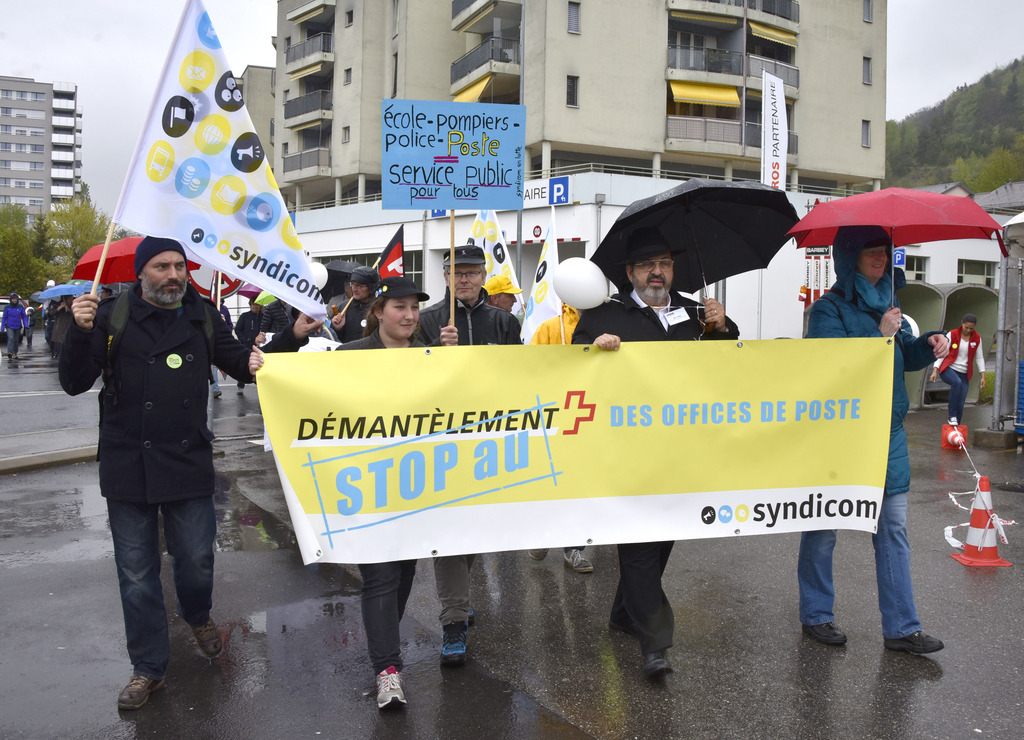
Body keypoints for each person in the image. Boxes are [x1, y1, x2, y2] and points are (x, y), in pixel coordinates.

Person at [58, 236, 319, 711]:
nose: (174, 275)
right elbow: (74, 382)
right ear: (141, 273)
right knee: (136, 575)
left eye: (180, 266)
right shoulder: (110, 315)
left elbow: (240, 361)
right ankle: (147, 668)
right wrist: (78, 330)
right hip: (126, 463)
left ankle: (197, 614)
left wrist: (291, 338)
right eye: (162, 267)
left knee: (196, 562)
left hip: (187, 460)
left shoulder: (202, 314)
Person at [572, 227, 737, 679]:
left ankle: (624, 614)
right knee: (641, 544)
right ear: (629, 273)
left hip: (682, 452)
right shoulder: (604, 315)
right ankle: (655, 643)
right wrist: (593, 351)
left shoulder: (695, 312)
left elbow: (731, 367)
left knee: (663, 538)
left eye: (664, 263)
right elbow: (571, 372)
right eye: (647, 265)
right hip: (628, 455)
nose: (657, 271)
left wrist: (723, 330)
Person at [798, 225, 948, 655]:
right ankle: (816, 615)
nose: (881, 261)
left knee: (893, 530)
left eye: (885, 253)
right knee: (823, 528)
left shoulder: (890, 303)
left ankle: (902, 627)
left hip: (887, 434)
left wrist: (925, 345)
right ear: (849, 259)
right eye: (871, 254)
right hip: (839, 437)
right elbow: (831, 368)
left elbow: (898, 358)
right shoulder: (829, 309)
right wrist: (879, 334)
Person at [417, 245, 521, 666]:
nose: (464, 278)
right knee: (446, 531)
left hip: (489, 445)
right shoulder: (427, 321)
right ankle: (454, 619)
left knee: (474, 529)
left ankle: (459, 598)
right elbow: (405, 381)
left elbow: (523, 375)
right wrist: (436, 353)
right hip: (441, 444)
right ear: (445, 276)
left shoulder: (504, 321)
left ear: (483, 276)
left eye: (472, 272)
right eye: (456, 272)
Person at [336, 276, 430, 709]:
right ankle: (387, 670)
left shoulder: (434, 356)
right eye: (399, 307)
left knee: (404, 572)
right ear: (378, 313)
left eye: (413, 307)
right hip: (367, 484)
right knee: (380, 574)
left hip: (418, 484)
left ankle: (382, 645)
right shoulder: (350, 356)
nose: (409, 315)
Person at [526, 302, 592, 573]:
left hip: (590, 415)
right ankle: (542, 536)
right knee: (551, 479)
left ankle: (574, 548)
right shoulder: (551, 327)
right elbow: (529, 367)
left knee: (583, 483)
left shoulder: (609, 323)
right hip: (554, 416)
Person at [929, 313, 985, 425]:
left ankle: (956, 426)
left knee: (961, 402)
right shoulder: (952, 334)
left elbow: (979, 357)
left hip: (964, 373)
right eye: (966, 327)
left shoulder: (977, 338)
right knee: (957, 383)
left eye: (971, 328)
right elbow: (942, 352)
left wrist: (982, 376)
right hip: (949, 369)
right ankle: (952, 416)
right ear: (962, 323)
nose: (968, 330)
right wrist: (935, 369)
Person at [338, 266, 379, 343]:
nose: (354, 289)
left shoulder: (379, 309)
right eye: (353, 284)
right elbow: (335, 341)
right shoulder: (344, 308)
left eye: (359, 285)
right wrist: (336, 328)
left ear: (371, 288)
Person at [233, 298, 263, 394]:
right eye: (253, 304)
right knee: (244, 365)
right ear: (250, 305)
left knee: (260, 366)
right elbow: (238, 329)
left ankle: (261, 388)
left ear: (260, 306)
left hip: (260, 346)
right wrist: (244, 340)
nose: (255, 306)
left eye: (257, 304)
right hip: (246, 346)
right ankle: (240, 386)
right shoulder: (244, 316)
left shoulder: (264, 317)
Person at [210, 302, 233, 398]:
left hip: (221, 343)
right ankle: (215, 389)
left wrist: (224, 326)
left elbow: (230, 325)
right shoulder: (206, 308)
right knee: (213, 368)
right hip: (211, 343)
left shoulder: (224, 309)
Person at [3, 292, 27, 359]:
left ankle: (15, 353)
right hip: (9, 325)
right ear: (11, 299)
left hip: (17, 325)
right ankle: (9, 352)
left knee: (16, 340)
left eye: (15, 299)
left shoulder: (20, 307)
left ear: (17, 299)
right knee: (11, 338)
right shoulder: (7, 307)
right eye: (13, 299)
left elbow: (24, 316)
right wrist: (2, 327)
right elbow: (4, 318)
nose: (14, 300)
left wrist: (26, 324)